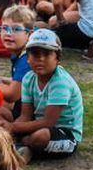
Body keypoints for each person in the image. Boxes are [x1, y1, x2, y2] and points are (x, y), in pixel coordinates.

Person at [5, 28, 83, 162]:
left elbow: (49, 122)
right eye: (35, 54)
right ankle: (22, 147)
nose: (40, 59)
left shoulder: (60, 82)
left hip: (64, 133)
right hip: (38, 124)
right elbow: (26, 115)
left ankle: (22, 147)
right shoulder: (29, 78)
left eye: (46, 54)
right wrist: (10, 130)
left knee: (40, 137)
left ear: (58, 58)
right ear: (28, 59)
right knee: (2, 121)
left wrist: (13, 128)